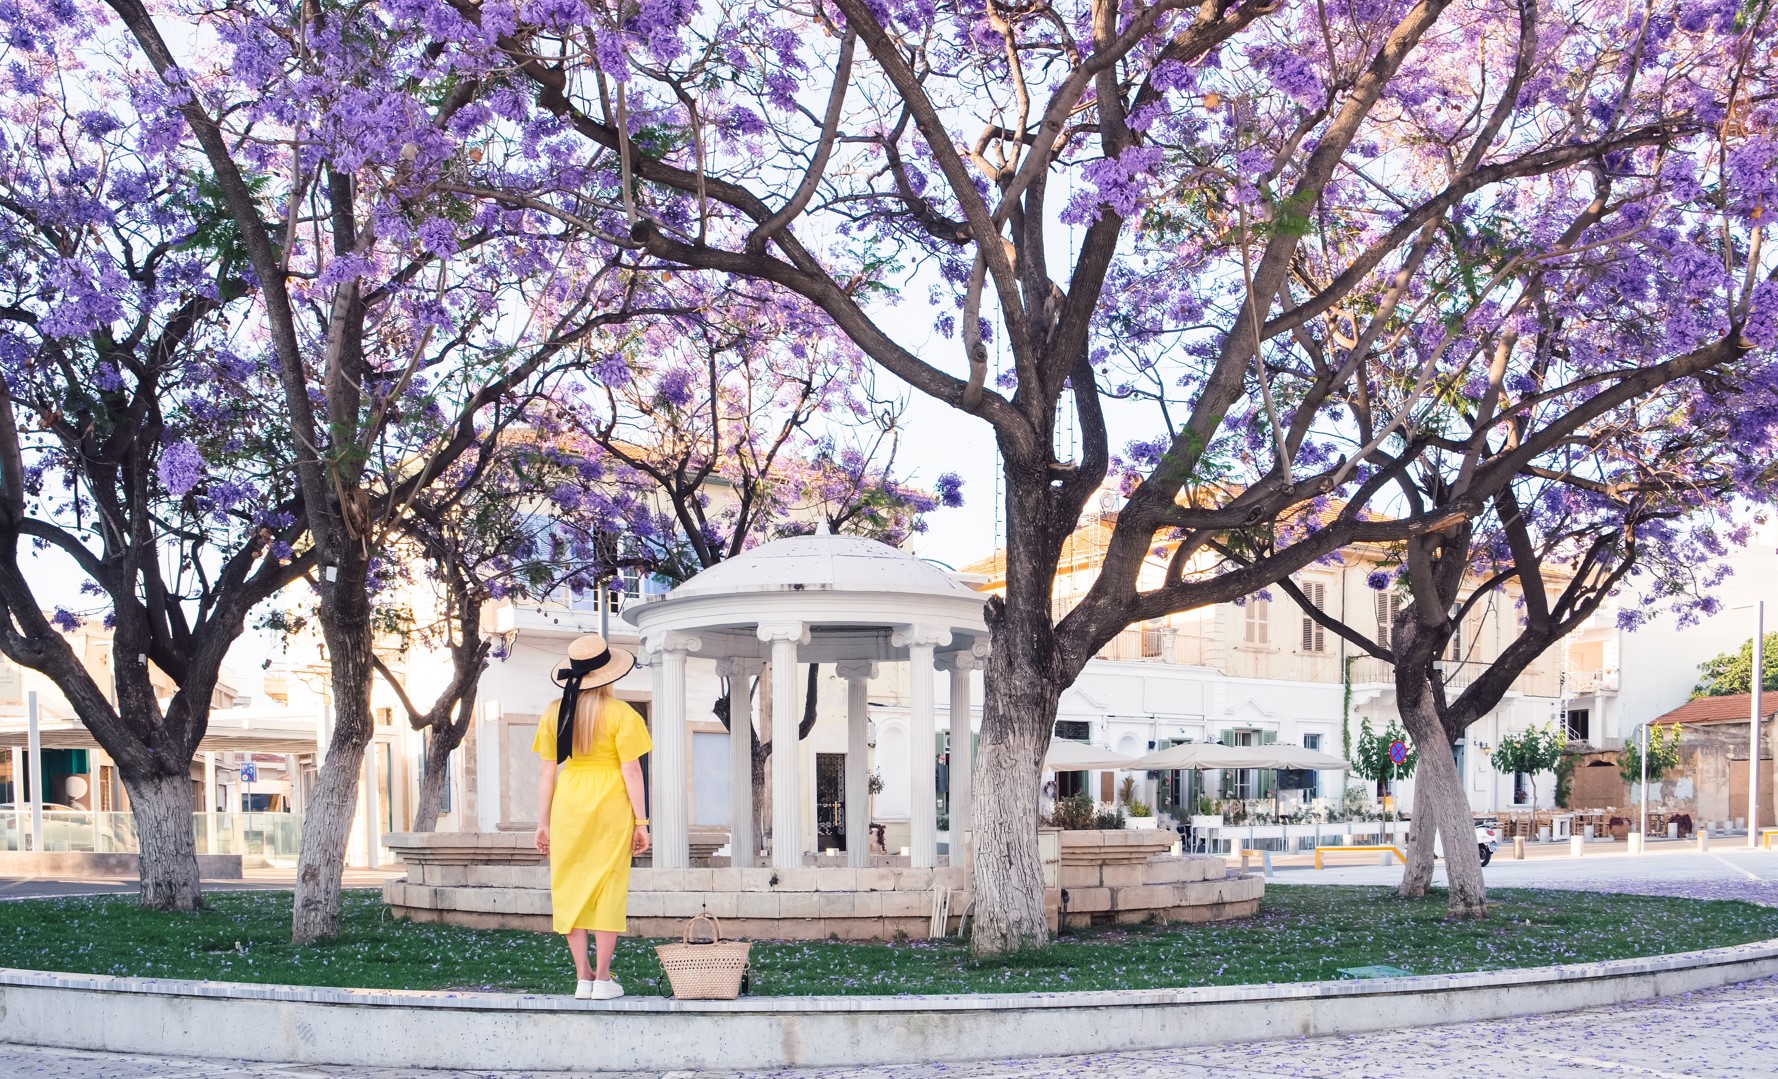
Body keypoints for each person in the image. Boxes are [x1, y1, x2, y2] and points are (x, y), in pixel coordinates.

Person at [533, 633, 652, 1000]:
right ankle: (602, 979)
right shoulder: (622, 714)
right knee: (608, 887)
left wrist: (542, 822)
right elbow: (632, 772)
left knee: (569, 886)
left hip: (568, 802)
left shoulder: (555, 711)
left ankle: (582, 978)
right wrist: (641, 823)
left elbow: (546, 772)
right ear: (609, 675)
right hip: (610, 802)